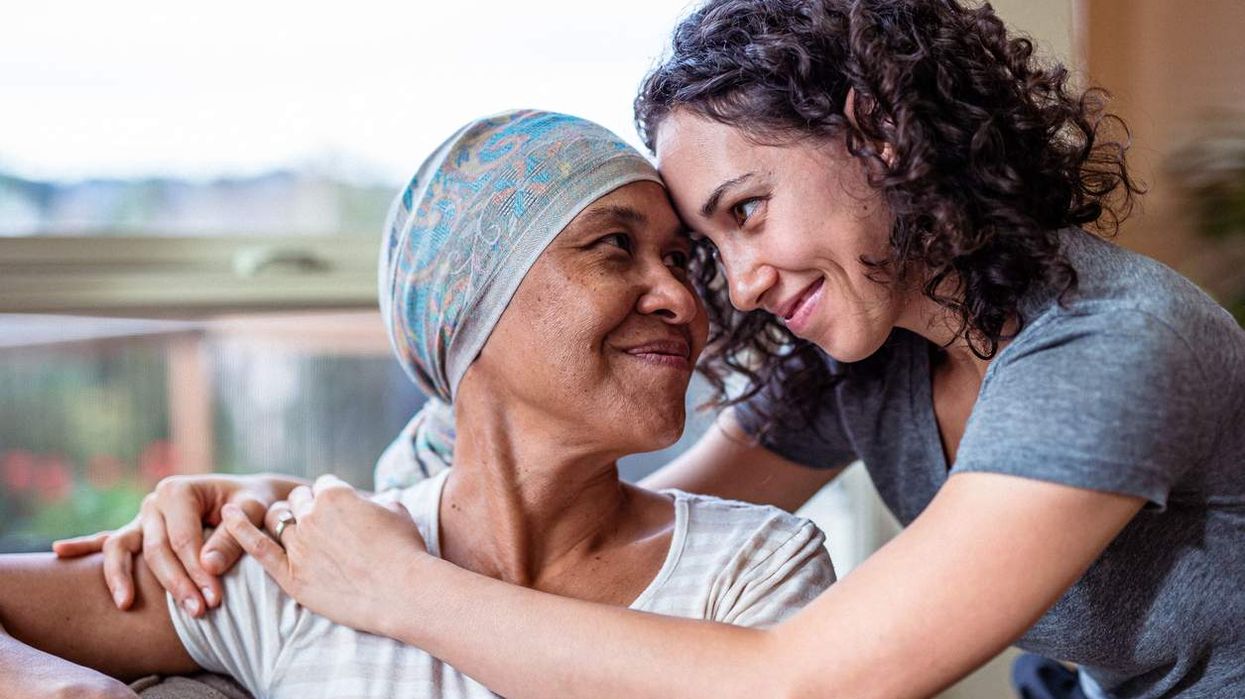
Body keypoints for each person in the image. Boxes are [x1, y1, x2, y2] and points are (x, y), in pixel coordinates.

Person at [59, 0, 1245, 697]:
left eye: (742, 214)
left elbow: (806, 683)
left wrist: (397, 587)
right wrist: (288, 514)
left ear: (877, 132)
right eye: (705, 247)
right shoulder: (871, 359)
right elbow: (594, 528)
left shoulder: (1112, 345)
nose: (729, 286)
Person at [0, 110, 836, 698]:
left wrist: (399, 583)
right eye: (615, 246)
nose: (683, 300)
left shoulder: (755, 568)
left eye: (682, 260)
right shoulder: (301, 562)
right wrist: (44, 682)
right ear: (471, 299)